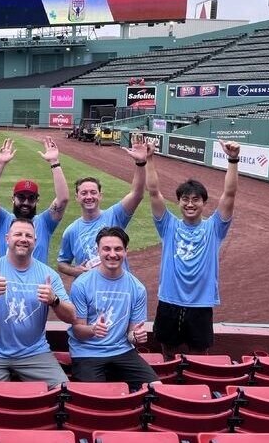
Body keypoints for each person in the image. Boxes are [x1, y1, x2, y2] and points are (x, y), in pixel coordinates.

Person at [146, 140, 240, 360]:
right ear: (178, 202)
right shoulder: (168, 225)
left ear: (204, 203)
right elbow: (153, 193)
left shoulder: (214, 228)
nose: (190, 204)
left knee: (199, 355)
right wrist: (149, 159)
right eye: (185, 199)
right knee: (168, 353)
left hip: (200, 304)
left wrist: (233, 159)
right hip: (169, 300)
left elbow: (229, 195)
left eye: (195, 199)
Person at [0, 218, 76, 389]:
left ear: (35, 241)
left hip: (34, 352)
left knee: (64, 392)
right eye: (18, 234)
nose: (23, 239)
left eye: (28, 236)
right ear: (7, 239)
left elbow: (71, 316)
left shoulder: (47, 275)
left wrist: (55, 301)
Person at [68, 227, 158, 390]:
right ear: (98, 251)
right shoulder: (81, 284)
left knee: (156, 388)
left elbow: (131, 335)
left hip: (122, 350)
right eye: (106, 249)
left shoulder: (137, 288)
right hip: (88, 352)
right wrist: (93, 330)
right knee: (97, 399)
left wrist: (136, 337)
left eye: (118, 249)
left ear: (126, 251)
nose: (112, 254)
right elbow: (78, 331)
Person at [57, 133, 149, 289]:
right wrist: (76, 271)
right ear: (77, 197)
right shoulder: (71, 231)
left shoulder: (115, 215)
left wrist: (140, 163)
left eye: (93, 192)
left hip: (119, 288)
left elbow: (137, 194)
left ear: (100, 196)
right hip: (90, 290)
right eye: (84, 193)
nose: (89, 197)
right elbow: (61, 263)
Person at [0, 137, 69, 262]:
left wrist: (54, 162)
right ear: (13, 199)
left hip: (37, 281)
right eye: (21, 197)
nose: (26, 203)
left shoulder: (45, 223)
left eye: (31, 198)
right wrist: (0, 164)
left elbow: (63, 199)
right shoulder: (3, 220)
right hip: (6, 281)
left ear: (37, 200)